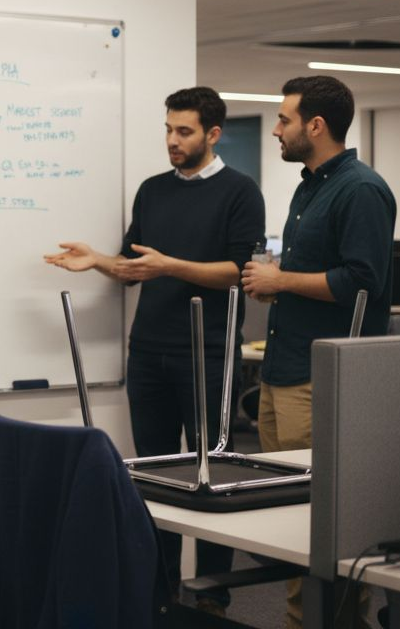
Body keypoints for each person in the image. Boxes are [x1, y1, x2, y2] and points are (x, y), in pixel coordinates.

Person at [44, 87, 265, 615]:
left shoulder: (240, 192)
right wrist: (98, 260)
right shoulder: (152, 190)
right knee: (156, 477)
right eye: (168, 129)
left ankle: (212, 596)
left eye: (184, 131)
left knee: (212, 477)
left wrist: (171, 266)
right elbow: (133, 266)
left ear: (213, 134)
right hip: (148, 353)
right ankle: (161, 595)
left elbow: (241, 273)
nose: (172, 140)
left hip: (208, 354)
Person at [241, 75, 395, 629]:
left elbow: (362, 282)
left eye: (283, 120)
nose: (276, 130)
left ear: (316, 125)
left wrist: (281, 280)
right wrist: (280, 284)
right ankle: (299, 619)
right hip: (283, 370)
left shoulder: (361, 189)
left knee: (326, 520)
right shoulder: (309, 187)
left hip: (322, 379)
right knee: (290, 515)